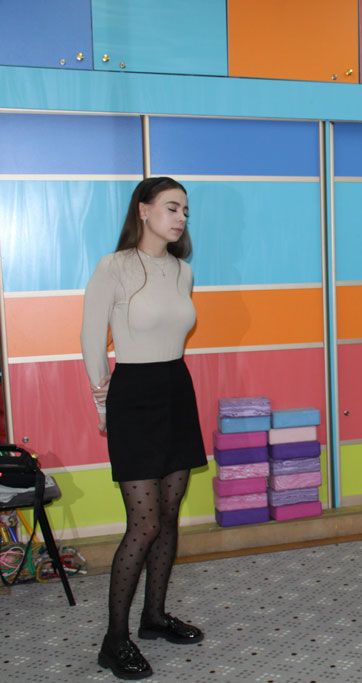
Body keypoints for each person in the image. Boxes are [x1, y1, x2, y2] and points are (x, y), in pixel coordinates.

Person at [81, 177, 207, 679]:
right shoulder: (113, 267)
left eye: (185, 211)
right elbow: (92, 338)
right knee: (145, 523)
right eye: (172, 207)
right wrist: (102, 403)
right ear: (143, 210)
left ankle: (154, 617)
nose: (180, 218)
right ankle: (115, 640)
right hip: (132, 395)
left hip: (176, 388)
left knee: (170, 516)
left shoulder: (183, 271)